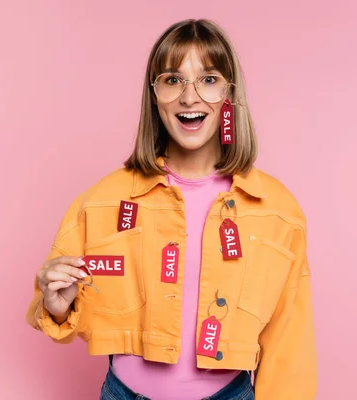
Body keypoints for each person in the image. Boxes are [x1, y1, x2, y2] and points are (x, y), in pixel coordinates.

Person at [25, 18, 316, 400]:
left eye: (208, 79)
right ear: (154, 95)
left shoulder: (278, 210)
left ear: (229, 95)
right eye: (172, 80)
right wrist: (57, 305)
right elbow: (52, 311)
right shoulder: (103, 200)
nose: (189, 97)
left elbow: (289, 339)